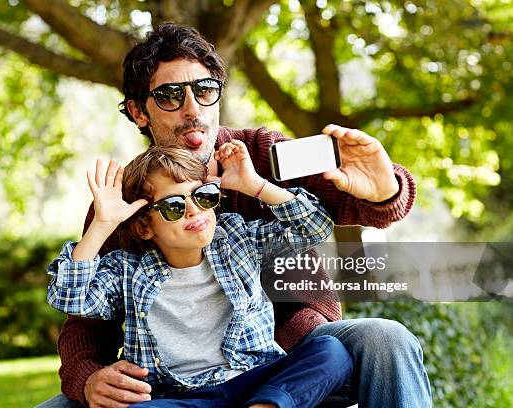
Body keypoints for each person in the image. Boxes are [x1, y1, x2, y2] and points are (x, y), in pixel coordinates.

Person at [39, 23, 431, 408]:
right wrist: (87, 377)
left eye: (205, 90)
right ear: (140, 111)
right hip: (173, 384)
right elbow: (84, 320)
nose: (193, 110)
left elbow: (349, 209)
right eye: (171, 96)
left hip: (286, 356)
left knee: (384, 338)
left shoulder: (261, 153)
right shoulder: (124, 200)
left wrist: (384, 189)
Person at [46, 143, 352, 408]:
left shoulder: (237, 239)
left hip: (255, 379)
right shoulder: (127, 270)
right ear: (144, 226)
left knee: (331, 352)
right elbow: (69, 296)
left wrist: (255, 185)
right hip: (180, 397)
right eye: (174, 206)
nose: (194, 210)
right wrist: (103, 223)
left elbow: (315, 227)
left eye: (203, 196)